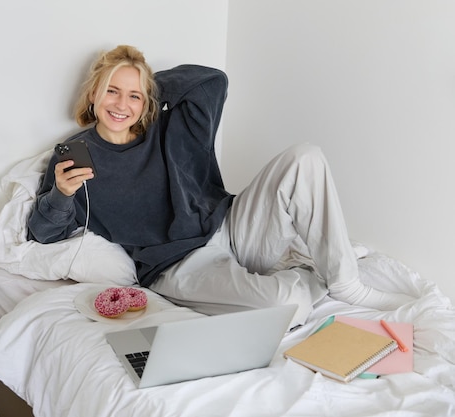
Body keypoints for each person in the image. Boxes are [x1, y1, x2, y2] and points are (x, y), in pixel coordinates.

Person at [27, 45, 413, 324]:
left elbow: (213, 82)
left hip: (231, 226)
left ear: (147, 102)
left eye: (134, 96)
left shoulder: (168, 126)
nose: (121, 104)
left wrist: (145, 83)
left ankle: (346, 283)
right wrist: (61, 195)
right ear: (93, 92)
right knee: (288, 302)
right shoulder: (76, 155)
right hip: (179, 265)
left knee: (305, 156)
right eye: (111, 90)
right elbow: (41, 234)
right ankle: (311, 274)